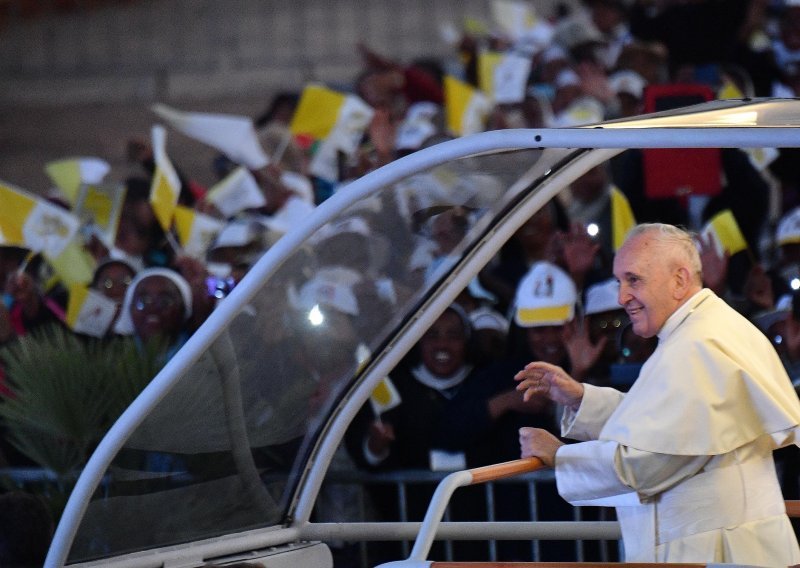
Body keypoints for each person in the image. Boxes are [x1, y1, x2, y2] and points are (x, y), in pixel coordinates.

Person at [515, 222, 800, 564]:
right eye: (620, 281)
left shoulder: (698, 345)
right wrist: (581, 398)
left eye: (633, 280)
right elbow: (664, 422)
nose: (622, 297)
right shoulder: (703, 330)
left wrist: (560, 456)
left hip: (715, 551)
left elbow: (647, 462)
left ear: (679, 280)